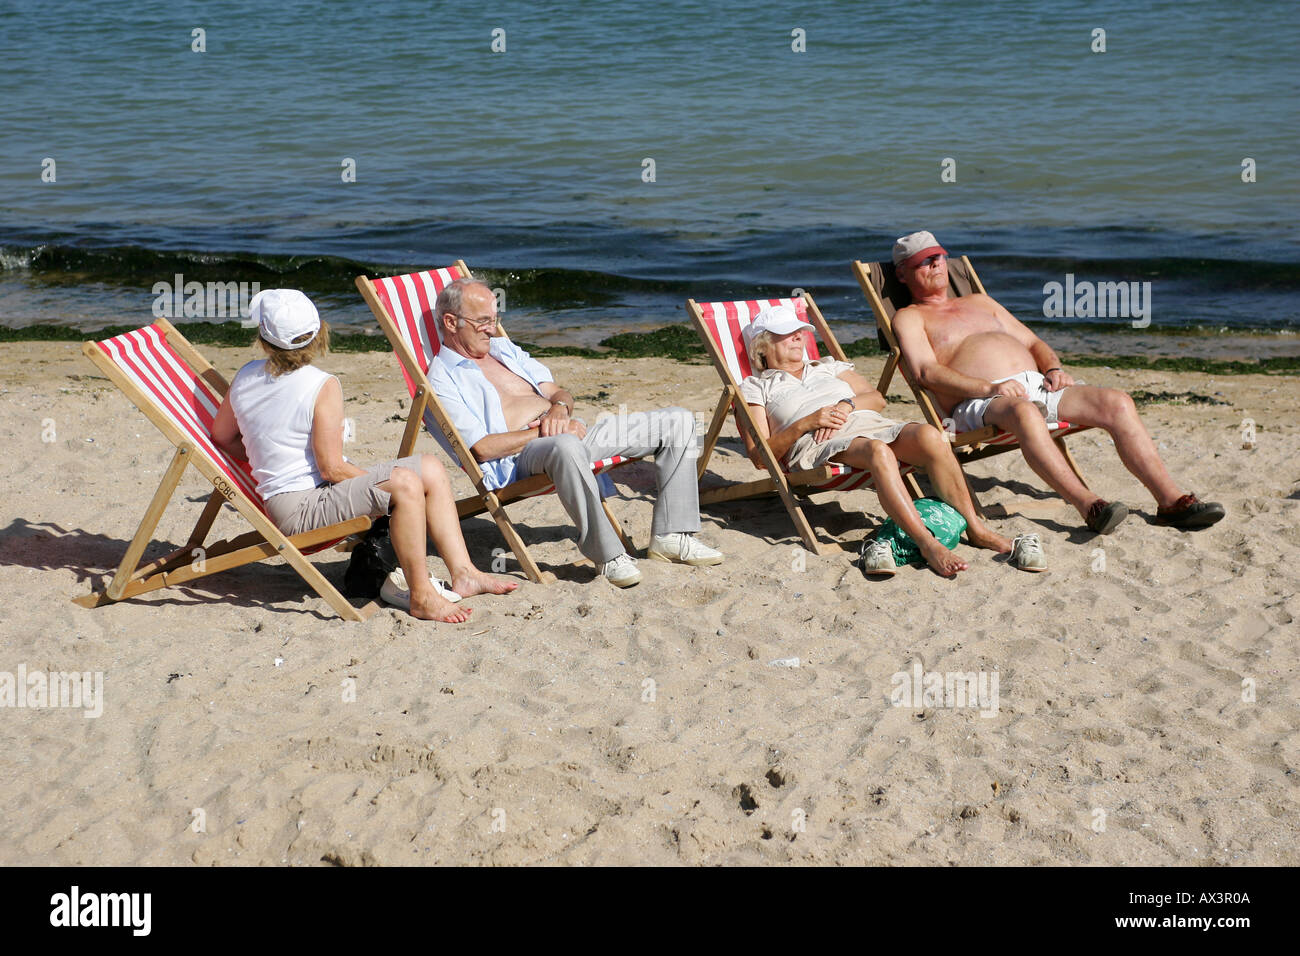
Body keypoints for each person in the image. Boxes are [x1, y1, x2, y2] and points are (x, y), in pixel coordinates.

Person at [211, 289, 517, 622]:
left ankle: (464, 573)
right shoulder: (320, 384)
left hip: (297, 500)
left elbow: (222, 437)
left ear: (264, 340)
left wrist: (263, 459)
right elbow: (331, 468)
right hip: (300, 510)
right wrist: (394, 487)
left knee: (427, 466)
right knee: (405, 485)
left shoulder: (244, 376)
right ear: (319, 334)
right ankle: (421, 596)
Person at [888, 231, 1225, 534]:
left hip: (1035, 386)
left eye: (938, 256)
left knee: (1117, 402)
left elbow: (1034, 344)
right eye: (923, 262)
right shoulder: (910, 317)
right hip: (978, 401)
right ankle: (1090, 506)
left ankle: (1170, 502)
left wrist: (1053, 368)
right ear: (902, 274)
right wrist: (988, 388)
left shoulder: (981, 303)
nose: (935, 264)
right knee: (1024, 413)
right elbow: (925, 373)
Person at [425, 278, 722, 588]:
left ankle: (671, 536)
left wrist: (560, 411)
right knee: (565, 445)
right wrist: (544, 432)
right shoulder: (443, 378)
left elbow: (559, 393)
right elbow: (481, 449)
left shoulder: (503, 349)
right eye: (483, 321)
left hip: (569, 432)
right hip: (522, 459)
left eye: (495, 319)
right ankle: (608, 556)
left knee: (678, 421)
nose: (492, 328)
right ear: (451, 322)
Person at [739, 304, 1043, 577]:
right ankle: (927, 543)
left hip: (869, 423)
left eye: (800, 332)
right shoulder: (754, 388)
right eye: (787, 333)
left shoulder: (829, 366)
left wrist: (847, 405)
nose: (799, 337)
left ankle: (977, 529)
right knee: (878, 452)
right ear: (762, 346)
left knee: (930, 435)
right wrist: (808, 421)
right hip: (818, 444)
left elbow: (877, 399)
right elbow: (758, 455)